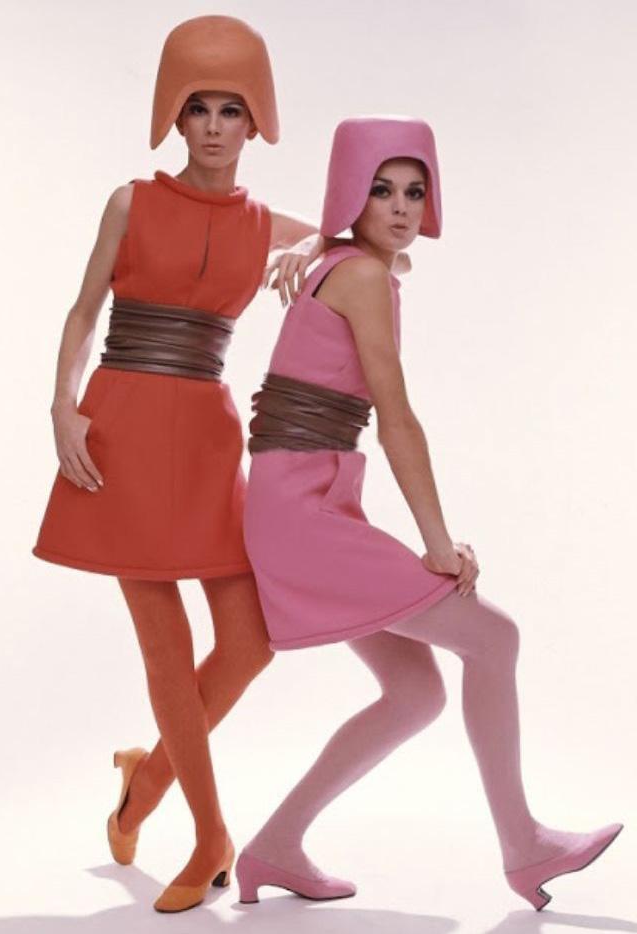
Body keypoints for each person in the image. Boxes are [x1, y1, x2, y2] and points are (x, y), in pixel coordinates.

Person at [235, 116, 623, 911]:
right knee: (495, 637)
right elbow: (397, 418)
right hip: (303, 514)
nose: (402, 207)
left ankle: (274, 847)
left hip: (302, 503)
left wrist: (314, 236)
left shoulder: (345, 262)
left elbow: (384, 254)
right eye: (380, 190)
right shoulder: (360, 276)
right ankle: (524, 846)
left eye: (415, 192)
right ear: (350, 193)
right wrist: (439, 545)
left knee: (416, 694)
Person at [32, 15, 338, 914]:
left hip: (208, 438)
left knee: (249, 642)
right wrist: (61, 406)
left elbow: (371, 252)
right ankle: (211, 836)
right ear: (173, 114)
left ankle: (144, 785)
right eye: (197, 107)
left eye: (230, 109)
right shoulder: (130, 202)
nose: (212, 126)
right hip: (121, 430)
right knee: (165, 647)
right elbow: (84, 309)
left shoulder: (263, 222)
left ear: (256, 122)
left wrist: (312, 245)